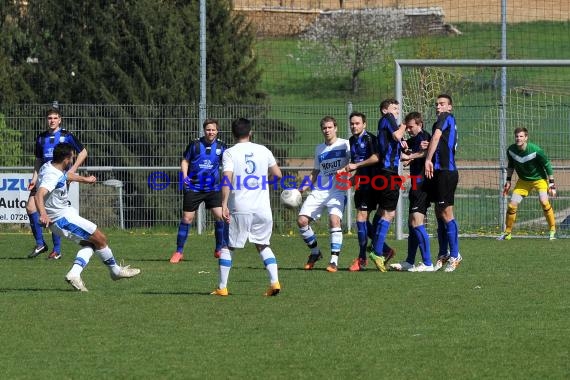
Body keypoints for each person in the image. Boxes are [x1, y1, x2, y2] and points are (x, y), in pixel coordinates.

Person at [34, 143, 141, 292]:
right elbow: (40, 193)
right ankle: (115, 271)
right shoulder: (52, 175)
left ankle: (74, 274)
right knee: (100, 238)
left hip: (65, 215)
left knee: (91, 244)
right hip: (62, 219)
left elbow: (66, 176)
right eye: (72, 157)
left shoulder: (51, 166)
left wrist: (85, 179)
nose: (72, 159)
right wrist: (43, 214)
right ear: (66, 159)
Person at [211, 118, 282, 296]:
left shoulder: (230, 153)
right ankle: (274, 282)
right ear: (250, 133)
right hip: (262, 208)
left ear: (233, 134)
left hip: (240, 207)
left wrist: (224, 203)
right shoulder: (263, 150)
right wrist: (264, 184)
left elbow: (226, 178)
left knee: (227, 246)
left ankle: (222, 287)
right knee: (263, 245)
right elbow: (278, 175)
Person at [346, 99, 407, 272]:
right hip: (364, 182)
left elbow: (376, 158)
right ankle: (381, 250)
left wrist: (356, 168)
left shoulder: (371, 138)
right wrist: (355, 176)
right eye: (352, 124)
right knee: (365, 220)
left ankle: (364, 257)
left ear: (364, 124)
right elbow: (359, 161)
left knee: (367, 218)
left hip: (375, 182)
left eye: (357, 123)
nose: (354, 126)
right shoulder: (351, 141)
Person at [26, 107, 88, 260]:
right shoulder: (41, 138)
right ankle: (40, 243)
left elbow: (83, 152)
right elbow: (39, 160)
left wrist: (71, 171)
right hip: (43, 177)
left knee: (53, 210)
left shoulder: (66, 136)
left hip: (59, 177)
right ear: (46, 120)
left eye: (55, 118)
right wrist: (34, 178)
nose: (52, 121)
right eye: (49, 118)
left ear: (60, 120)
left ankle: (57, 250)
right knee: (30, 207)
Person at [170, 118, 228, 264]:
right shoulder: (195, 144)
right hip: (194, 187)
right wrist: (184, 176)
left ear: (217, 130)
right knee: (187, 218)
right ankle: (179, 252)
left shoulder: (222, 146)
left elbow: (228, 165)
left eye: (213, 129)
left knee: (220, 217)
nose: (211, 132)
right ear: (204, 130)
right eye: (208, 129)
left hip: (212, 188)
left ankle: (219, 249)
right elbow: (185, 161)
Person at [298, 116, 350, 273]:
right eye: (324, 128)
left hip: (338, 190)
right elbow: (315, 172)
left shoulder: (345, 144)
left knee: (334, 221)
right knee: (302, 221)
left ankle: (334, 261)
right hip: (320, 190)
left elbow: (354, 163)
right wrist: (302, 189)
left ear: (336, 128)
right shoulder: (319, 149)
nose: (327, 130)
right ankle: (315, 253)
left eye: (329, 127)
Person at [389, 112, 434, 272]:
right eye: (406, 127)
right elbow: (404, 149)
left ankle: (428, 263)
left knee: (417, 222)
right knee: (412, 224)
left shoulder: (425, 137)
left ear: (419, 124)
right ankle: (409, 261)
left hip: (423, 185)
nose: (408, 130)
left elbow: (428, 152)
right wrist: (406, 152)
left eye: (410, 127)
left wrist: (411, 156)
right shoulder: (414, 139)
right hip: (415, 184)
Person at [424, 94, 461, 272]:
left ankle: (455, 255)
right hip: (439, 172)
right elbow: (439, 142)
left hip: (446, 172)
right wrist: (427, 147)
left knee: (446, 213)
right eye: (436, 104)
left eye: (442, 104)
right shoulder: (441, 122)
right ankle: (443, 254)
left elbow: (437, 138)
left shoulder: (446, 118)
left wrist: (427, 159)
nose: (438, 107)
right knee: (439, 213)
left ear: (449, 107)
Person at [498, 127, 557, 241]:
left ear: (526, 137)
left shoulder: (536, 150)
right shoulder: (511, 150)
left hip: (539, 180)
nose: (518, 138)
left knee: (544, 202)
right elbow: (511, 165)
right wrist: (508, 181)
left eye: (521, 136)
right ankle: (507, 233)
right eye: (517, 136)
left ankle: (552, 230)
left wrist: (552, 184)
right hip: (523, 181)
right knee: (511, 206)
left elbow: (547, 165)